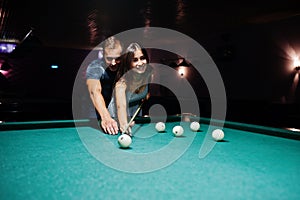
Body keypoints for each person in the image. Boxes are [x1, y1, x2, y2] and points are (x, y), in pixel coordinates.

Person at [108, 42, 153, 135]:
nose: (140, 63)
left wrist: (146, 94)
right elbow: (121, 106)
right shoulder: (121, 83)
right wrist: (124, 124)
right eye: (135, 60)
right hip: (116, 119)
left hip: (135, 117)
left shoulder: (148, 75)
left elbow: (146, 91)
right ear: (128, 63)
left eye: (142, 58)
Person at [86, 36, 123, 135]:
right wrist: (106, 117)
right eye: (109, 58)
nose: (114, 63)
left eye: (117, 58)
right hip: (95, 114)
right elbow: (94, 92)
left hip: (115, 112)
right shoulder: (95, 67)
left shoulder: (123, 68)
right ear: (103, 55)